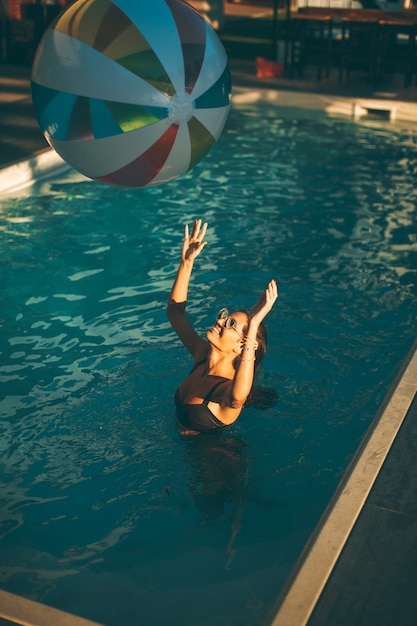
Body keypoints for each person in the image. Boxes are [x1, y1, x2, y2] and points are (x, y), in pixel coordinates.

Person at [167, 219, 278, 435]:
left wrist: (254, 323)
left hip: (216, 461)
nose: (219, 321)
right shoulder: (201, 356)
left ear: (242, 346)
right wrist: (186, 263)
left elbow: (238, 398)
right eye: (224, 317)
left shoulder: (225, 390)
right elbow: (175, 313)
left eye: (230, 324)